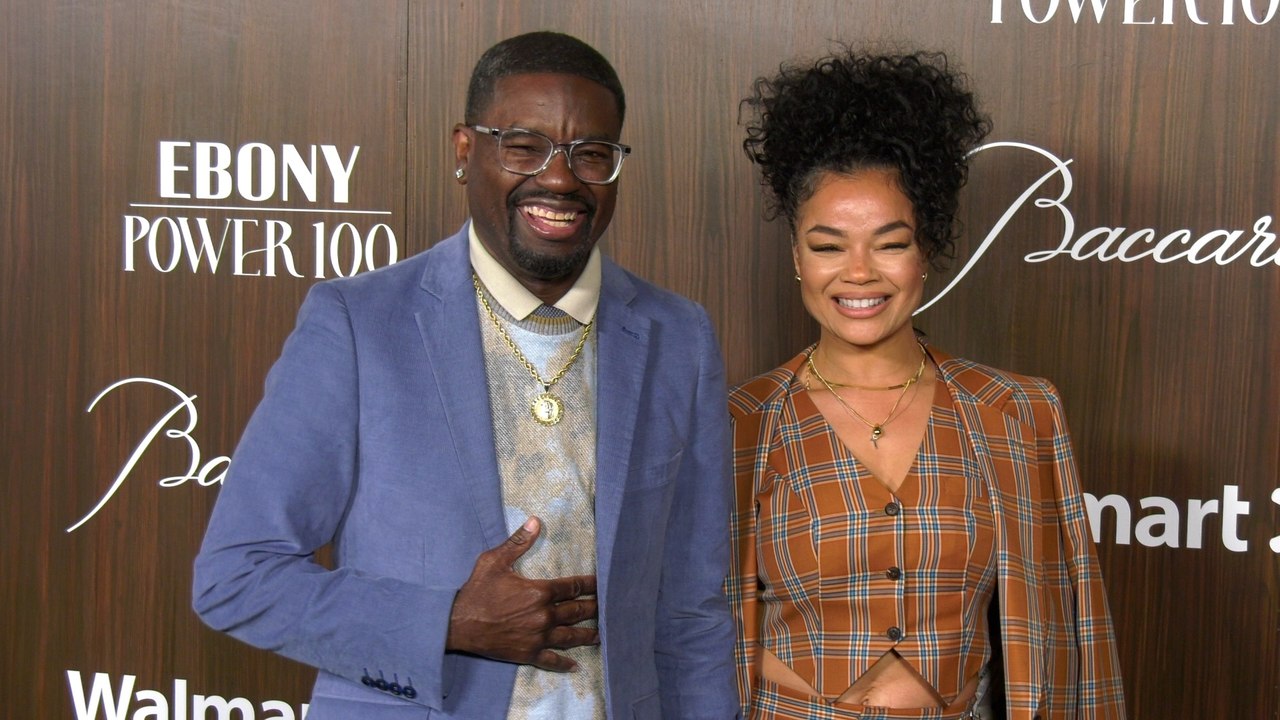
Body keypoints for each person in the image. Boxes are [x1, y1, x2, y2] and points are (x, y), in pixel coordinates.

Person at [193, 31, 738, 720]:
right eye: (522, 144)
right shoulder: (359, 325)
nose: (561, 178)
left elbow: (690, 610)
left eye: (591, 155)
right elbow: (237, 576)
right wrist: (446, 621)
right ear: (464, 151)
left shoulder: (678, 337)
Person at [725, 49, 1126, 720]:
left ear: (927, 250)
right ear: (796, 256)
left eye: (889, 242)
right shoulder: (740, 421)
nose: (859, 272)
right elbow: (690, 624)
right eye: (828, 246)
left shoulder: (1018, 412)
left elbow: (1073, 632)